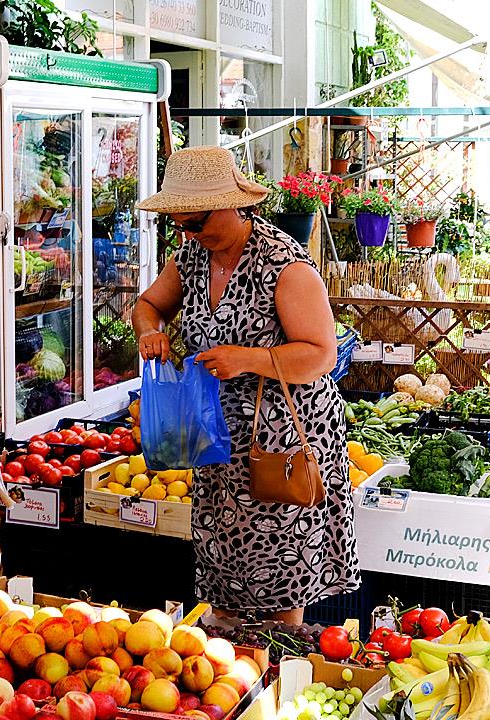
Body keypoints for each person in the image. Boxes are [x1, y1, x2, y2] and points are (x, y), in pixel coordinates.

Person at [131, 146, 358, 623]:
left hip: (279, 445)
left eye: (196, 222)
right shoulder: (192, 256)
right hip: (215, 445)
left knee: (278, 580)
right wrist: (150, 332)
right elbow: (148, 306)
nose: (189, 233)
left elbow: (321, 354)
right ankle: (233, 672)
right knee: (225, 576)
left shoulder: (285, 266)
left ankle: (277, 676)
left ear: (233, 205)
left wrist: (248, 360)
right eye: (181, 224)